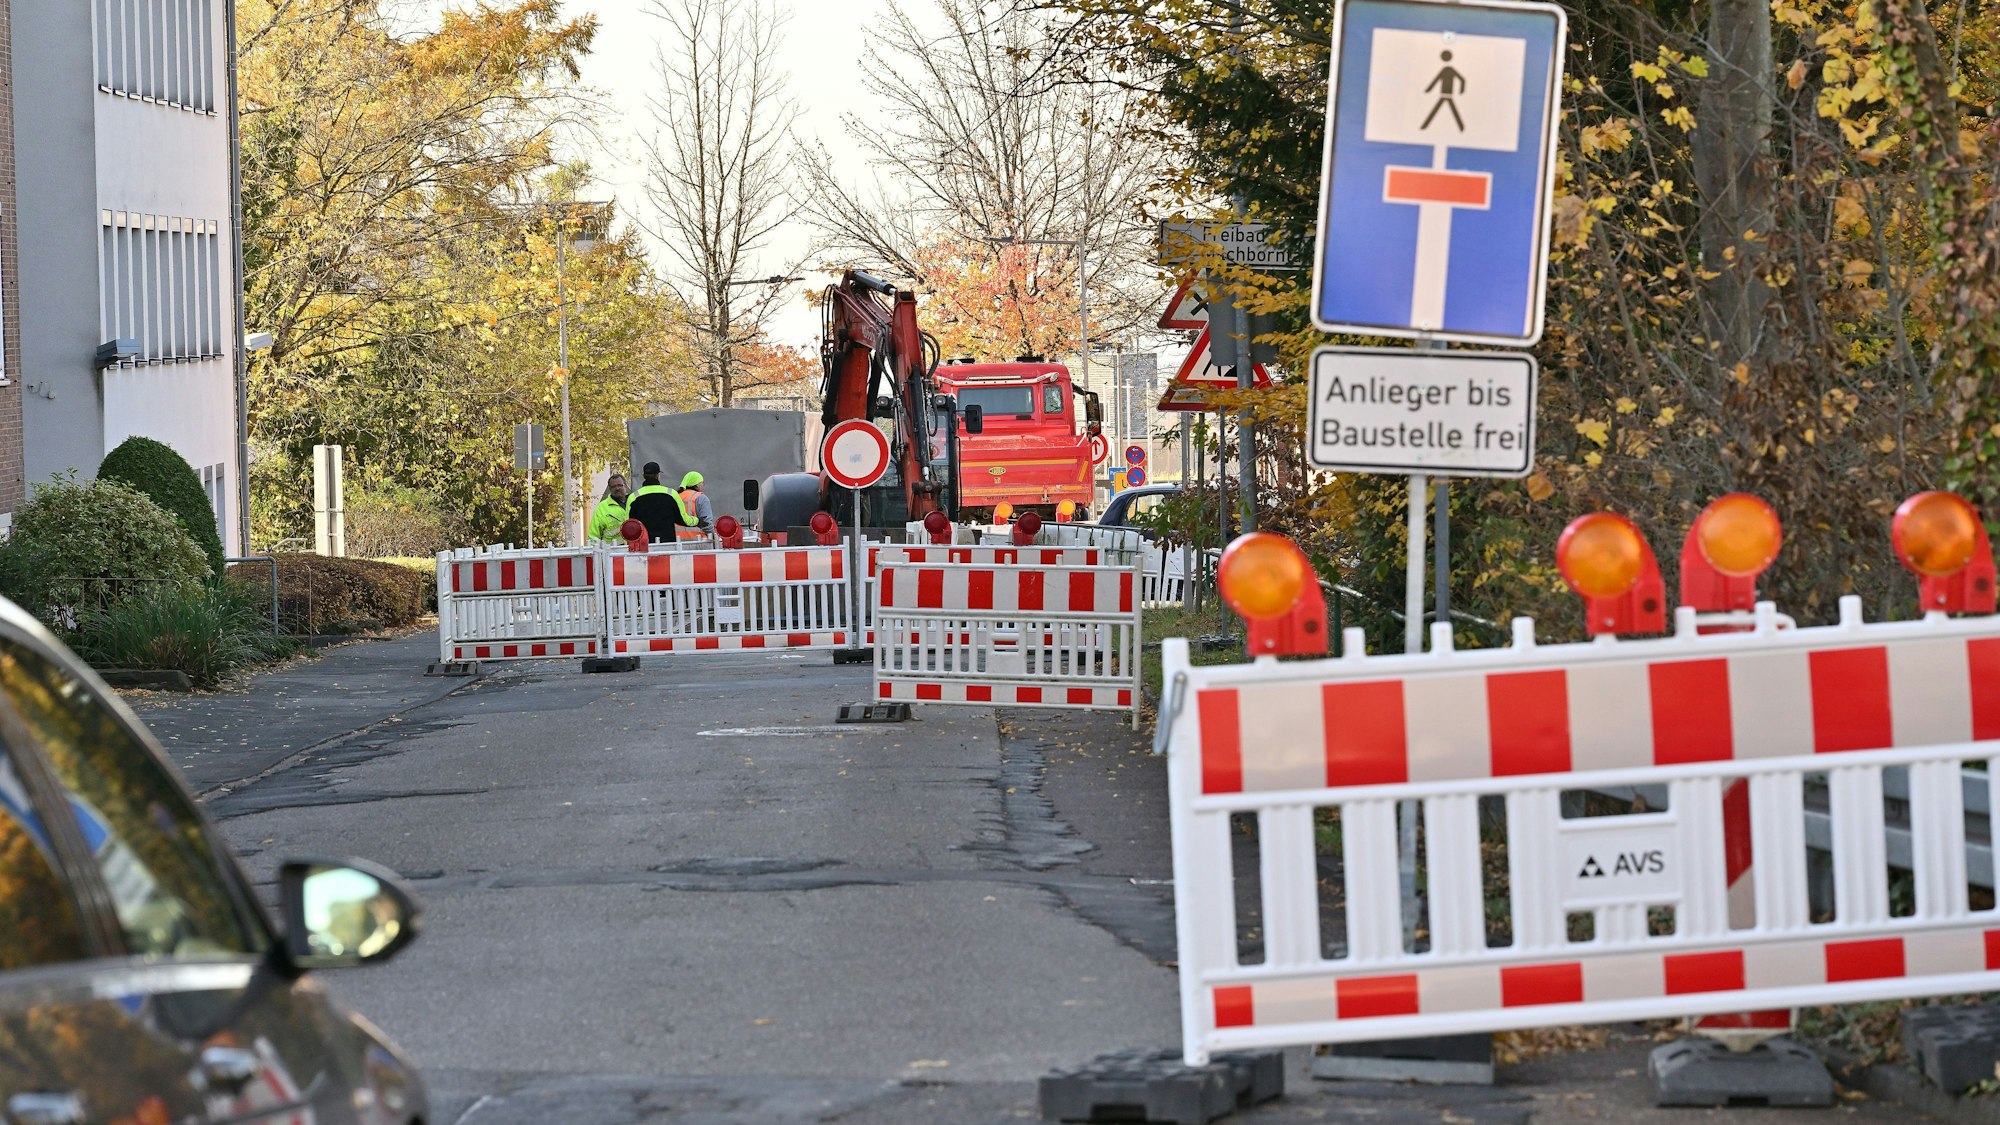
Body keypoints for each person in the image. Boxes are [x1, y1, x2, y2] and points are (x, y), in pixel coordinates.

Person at [626, 463, 693, 544]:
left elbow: (629, 525)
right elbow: (683, 520)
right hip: (668, 545)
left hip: (644, 546)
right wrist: (697, 520)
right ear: (658, 475)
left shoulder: (633, 497)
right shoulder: (671, 493)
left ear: (644, 476)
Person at [586, 474, 631, 544]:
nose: (617, 488)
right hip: (612, 552)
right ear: (610, 489)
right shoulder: (602, 508)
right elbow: (593, 536)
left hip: (634, 552)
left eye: (620, 485)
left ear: (625, 485)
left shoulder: (634, 502)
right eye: (614, 486)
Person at [677, 471, 714, 541]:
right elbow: (707, 524)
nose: (703, 485)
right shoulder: (701, 498)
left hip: (678, 542)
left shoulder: (677, 497)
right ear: (697, 485)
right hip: (698, 542)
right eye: (702, 483)